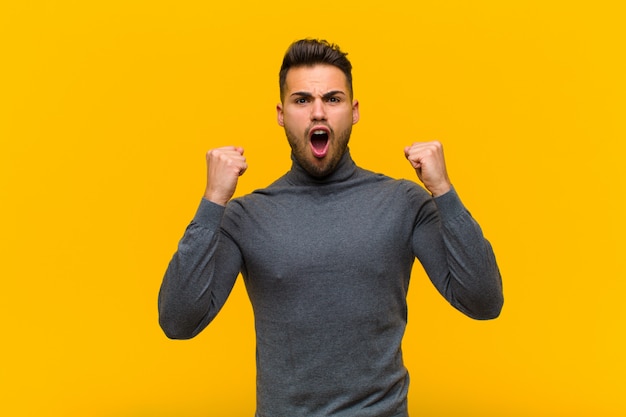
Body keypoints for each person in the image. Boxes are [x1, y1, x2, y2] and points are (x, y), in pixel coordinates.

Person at [158, 38, 503, 417]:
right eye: (302, 100)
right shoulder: (245, 215)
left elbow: (484, 301)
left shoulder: (404, 202)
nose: (318, 113)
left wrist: (443, 190)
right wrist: (211, 202)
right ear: (281, 113)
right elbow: (177, 321)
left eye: (333, 99)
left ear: (353, 111)